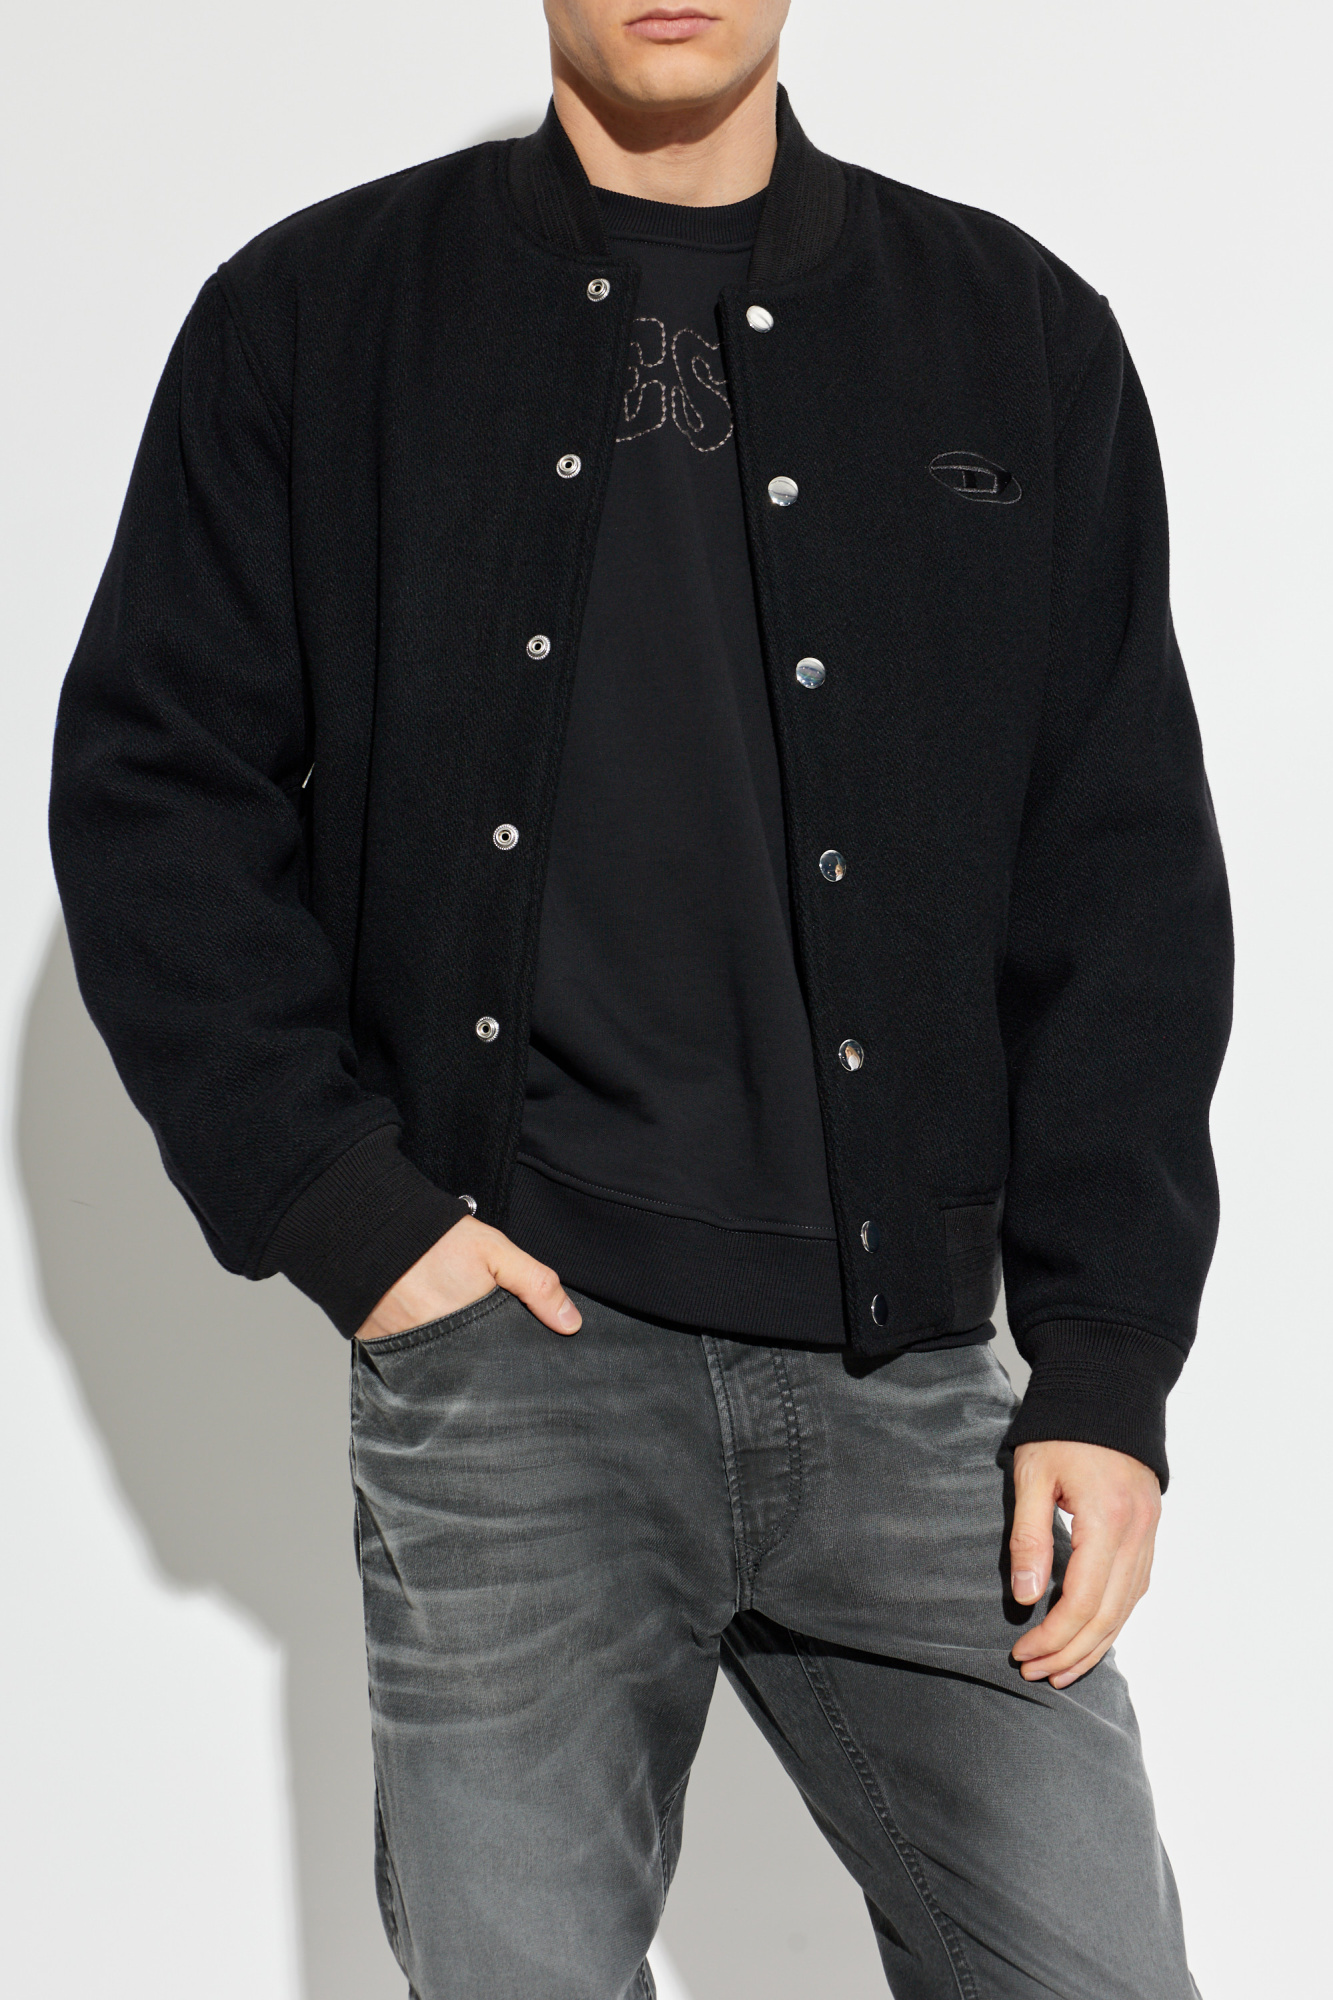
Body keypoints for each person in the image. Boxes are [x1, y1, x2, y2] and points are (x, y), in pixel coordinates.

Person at [48, 1, 1232, 1993]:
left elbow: (1117, 874)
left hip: (910, 1377)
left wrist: (1106, 1367)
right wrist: (354, 1217)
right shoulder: (318, 317)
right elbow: (155, 793)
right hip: (515, 1371)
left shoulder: (1015, 336)